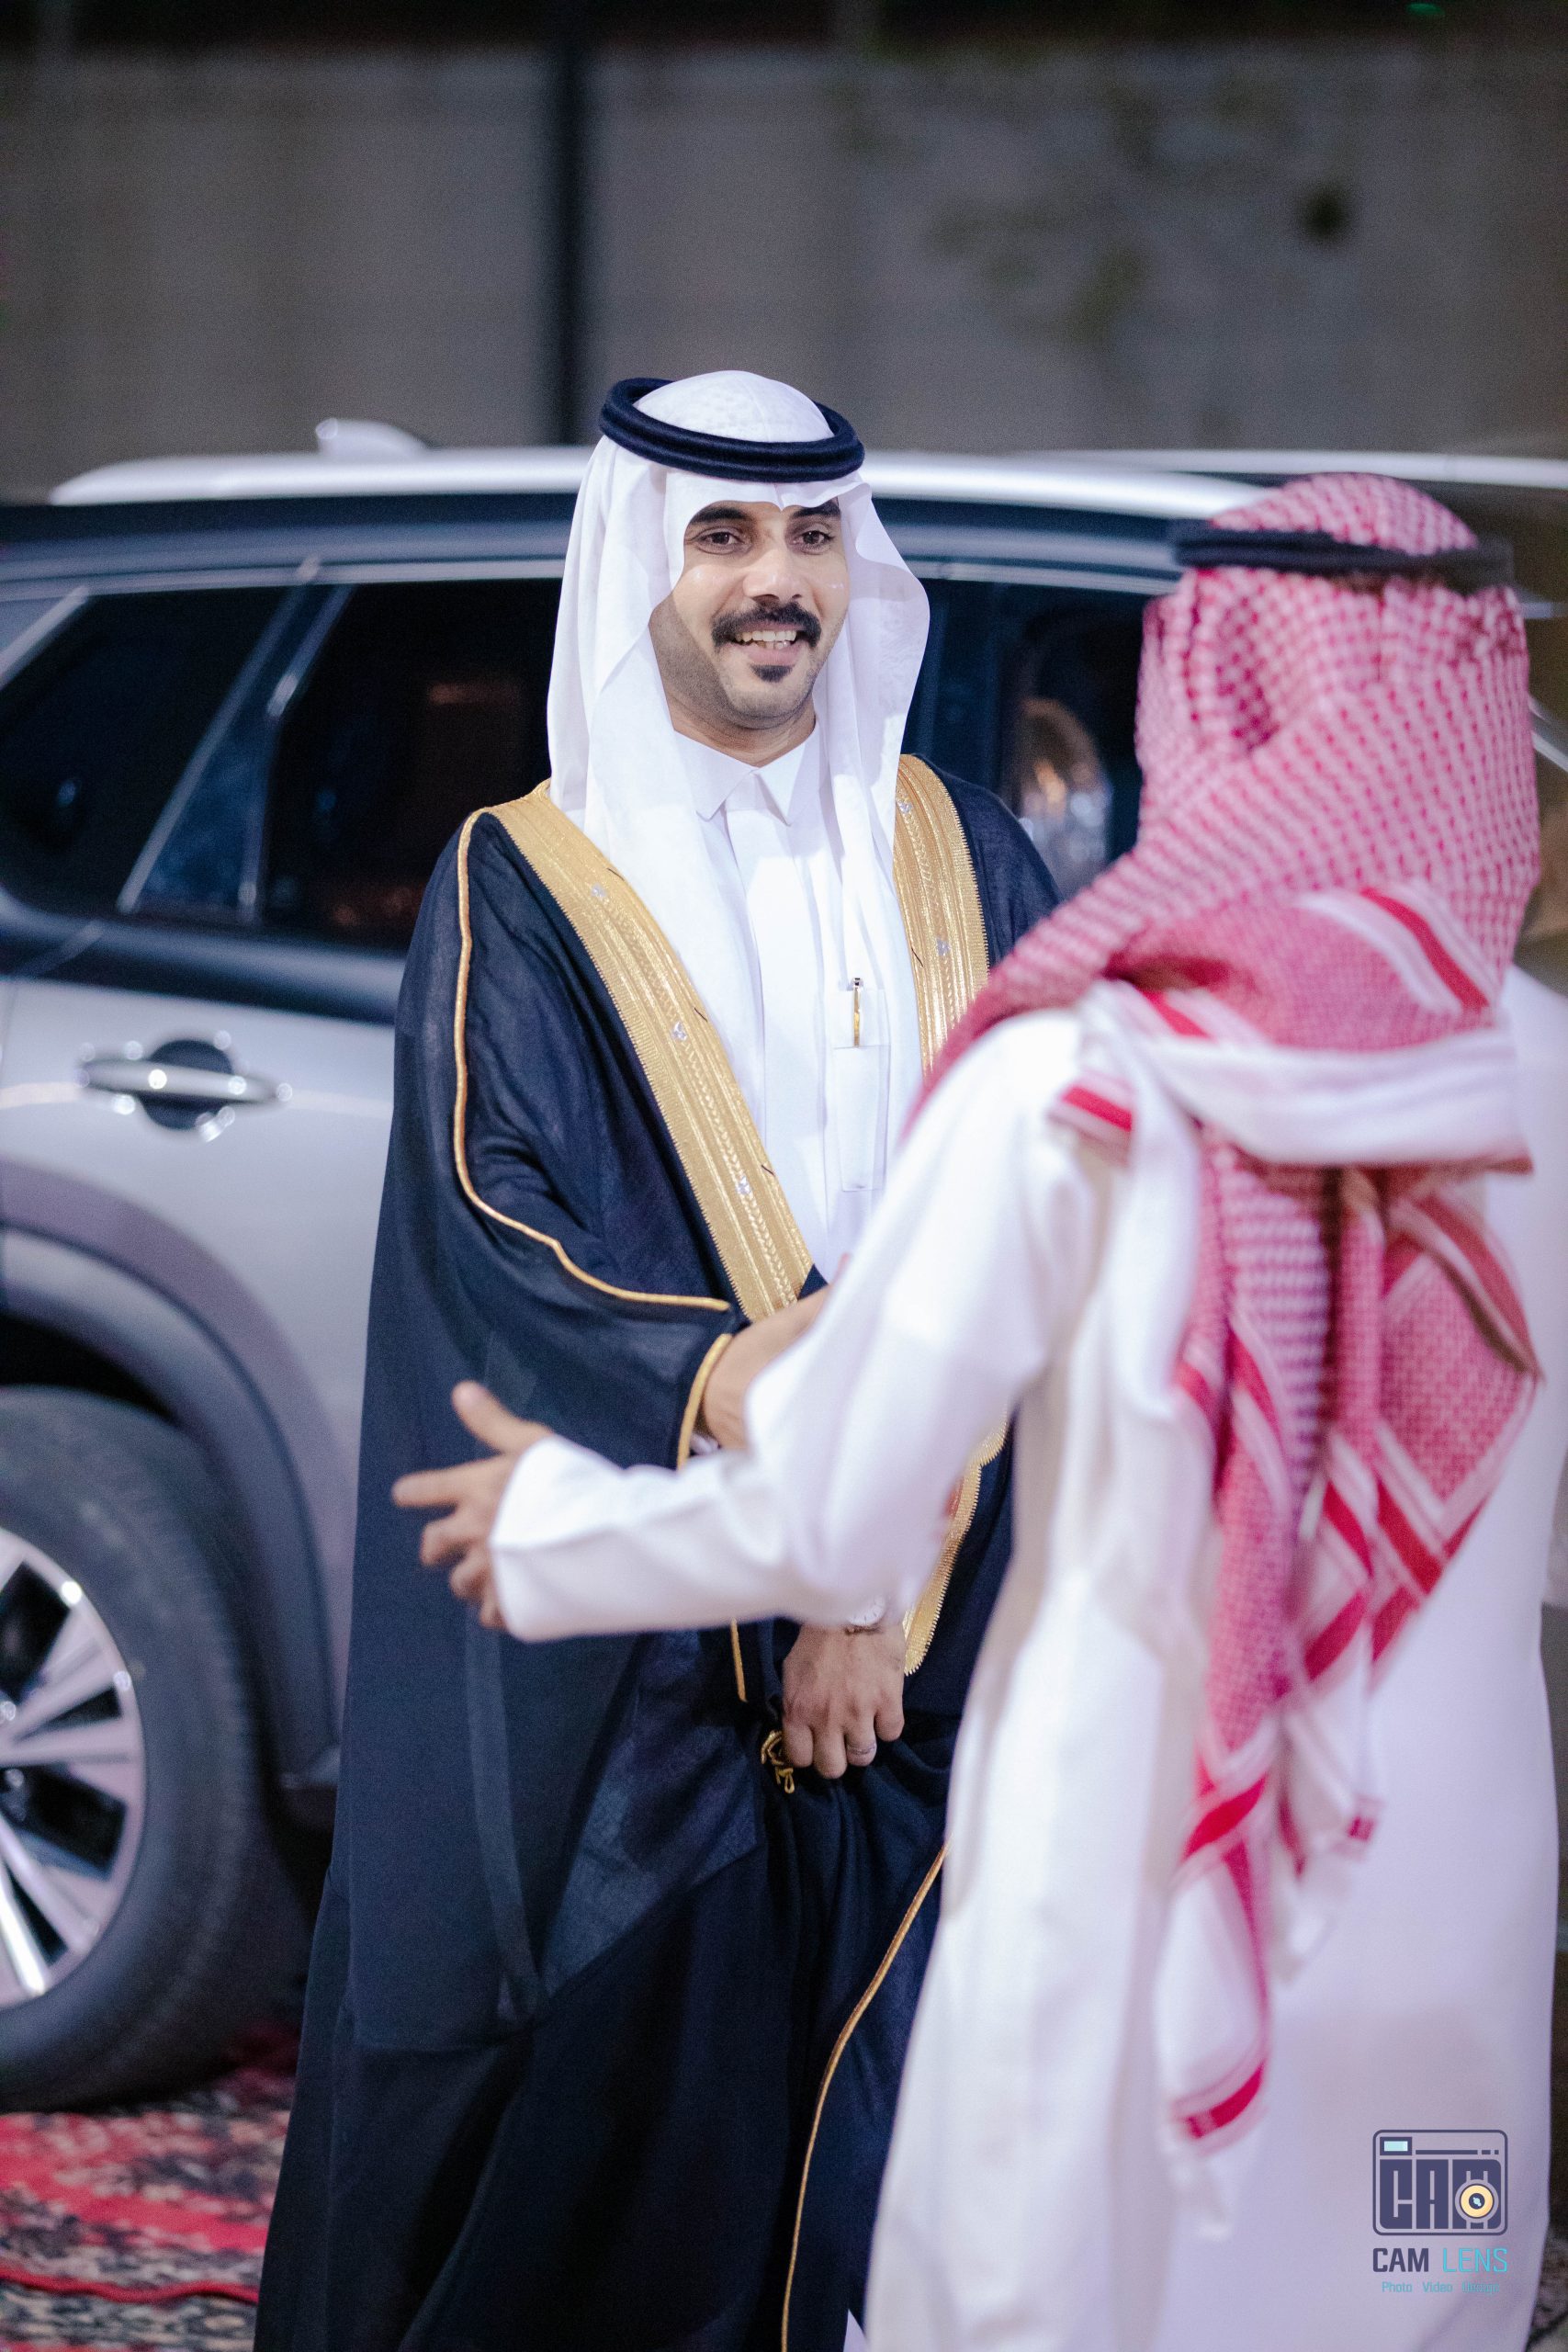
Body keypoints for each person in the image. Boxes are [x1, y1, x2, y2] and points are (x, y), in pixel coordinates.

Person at [403, 475, 1567, 2351]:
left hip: (1120, 1864)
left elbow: (828, 1512)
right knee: (1415, 2288)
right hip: (1444, 1881)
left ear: (1208, 703)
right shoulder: (1547, 1081)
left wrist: (554, 1529)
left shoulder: (1078, 1079)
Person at [255, 369, 1055, 2352]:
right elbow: (493, 1219)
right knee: (625, 2168)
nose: (775, 581)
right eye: (722, 535)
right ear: (640, 564)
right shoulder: (526, 880)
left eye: (810, 537)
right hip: (655, 1669)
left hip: (945, 1606)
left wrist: (868, 1569)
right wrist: (733, 1381)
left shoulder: (960, 850)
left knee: (914, 2155)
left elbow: (1048, 1185)